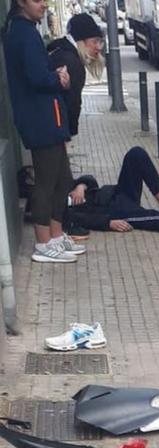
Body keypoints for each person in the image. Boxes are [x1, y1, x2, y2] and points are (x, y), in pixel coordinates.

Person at [3, 0, 84, 263]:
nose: (44, 4)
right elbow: (36, 77)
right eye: (37, 0)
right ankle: (43, 241)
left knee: (62, 179)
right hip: (40, 118)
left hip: (49, 116)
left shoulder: (25, 29)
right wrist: (57, 78)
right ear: (20, 2)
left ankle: (56, 235)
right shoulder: (23, 33)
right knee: (47, 181)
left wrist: (53, 72)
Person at [65, 147, 159, 237]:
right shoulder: (52, 207)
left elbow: (90, 180)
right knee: (154, 219)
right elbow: (76, 218)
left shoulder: (57, 184)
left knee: (136, 153)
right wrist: (108, 223)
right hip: (113, 212)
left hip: (114, 193)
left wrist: (81, 186)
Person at [48, 13, 105, 137]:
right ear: (81, 41)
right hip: (55, 132)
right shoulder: (71, 62)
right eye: (94, 41)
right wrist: (68, 132)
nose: (98, 47)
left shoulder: (63, 53)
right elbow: (70, 102)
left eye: (100, 42)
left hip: (53, 129)